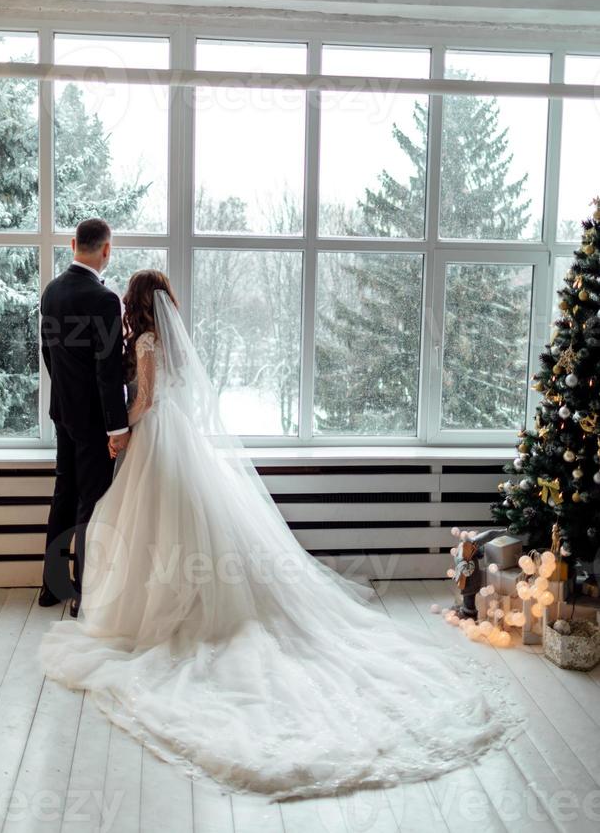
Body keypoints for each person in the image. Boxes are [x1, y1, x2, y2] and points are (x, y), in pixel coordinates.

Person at [39, 269, 522, 799]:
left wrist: (123, 430)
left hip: (154, 437)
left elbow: (147, 398)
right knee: (166, 524)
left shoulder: (148, 339)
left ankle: (165, 605)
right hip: (172, 440)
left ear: (135, 304)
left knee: (151, 524)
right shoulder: (163, 336)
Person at [39, 218, 130, 618]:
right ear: (106, 250)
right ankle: (83, 594)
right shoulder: (104, 300)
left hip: (63, 412)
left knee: (64, 495)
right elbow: (107, 370)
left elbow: (49, 354)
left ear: (74, 243)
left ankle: (52, 587)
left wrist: (64, 396)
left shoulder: (52, 291)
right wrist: (118, 427)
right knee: (90, 504)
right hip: (94, 421)